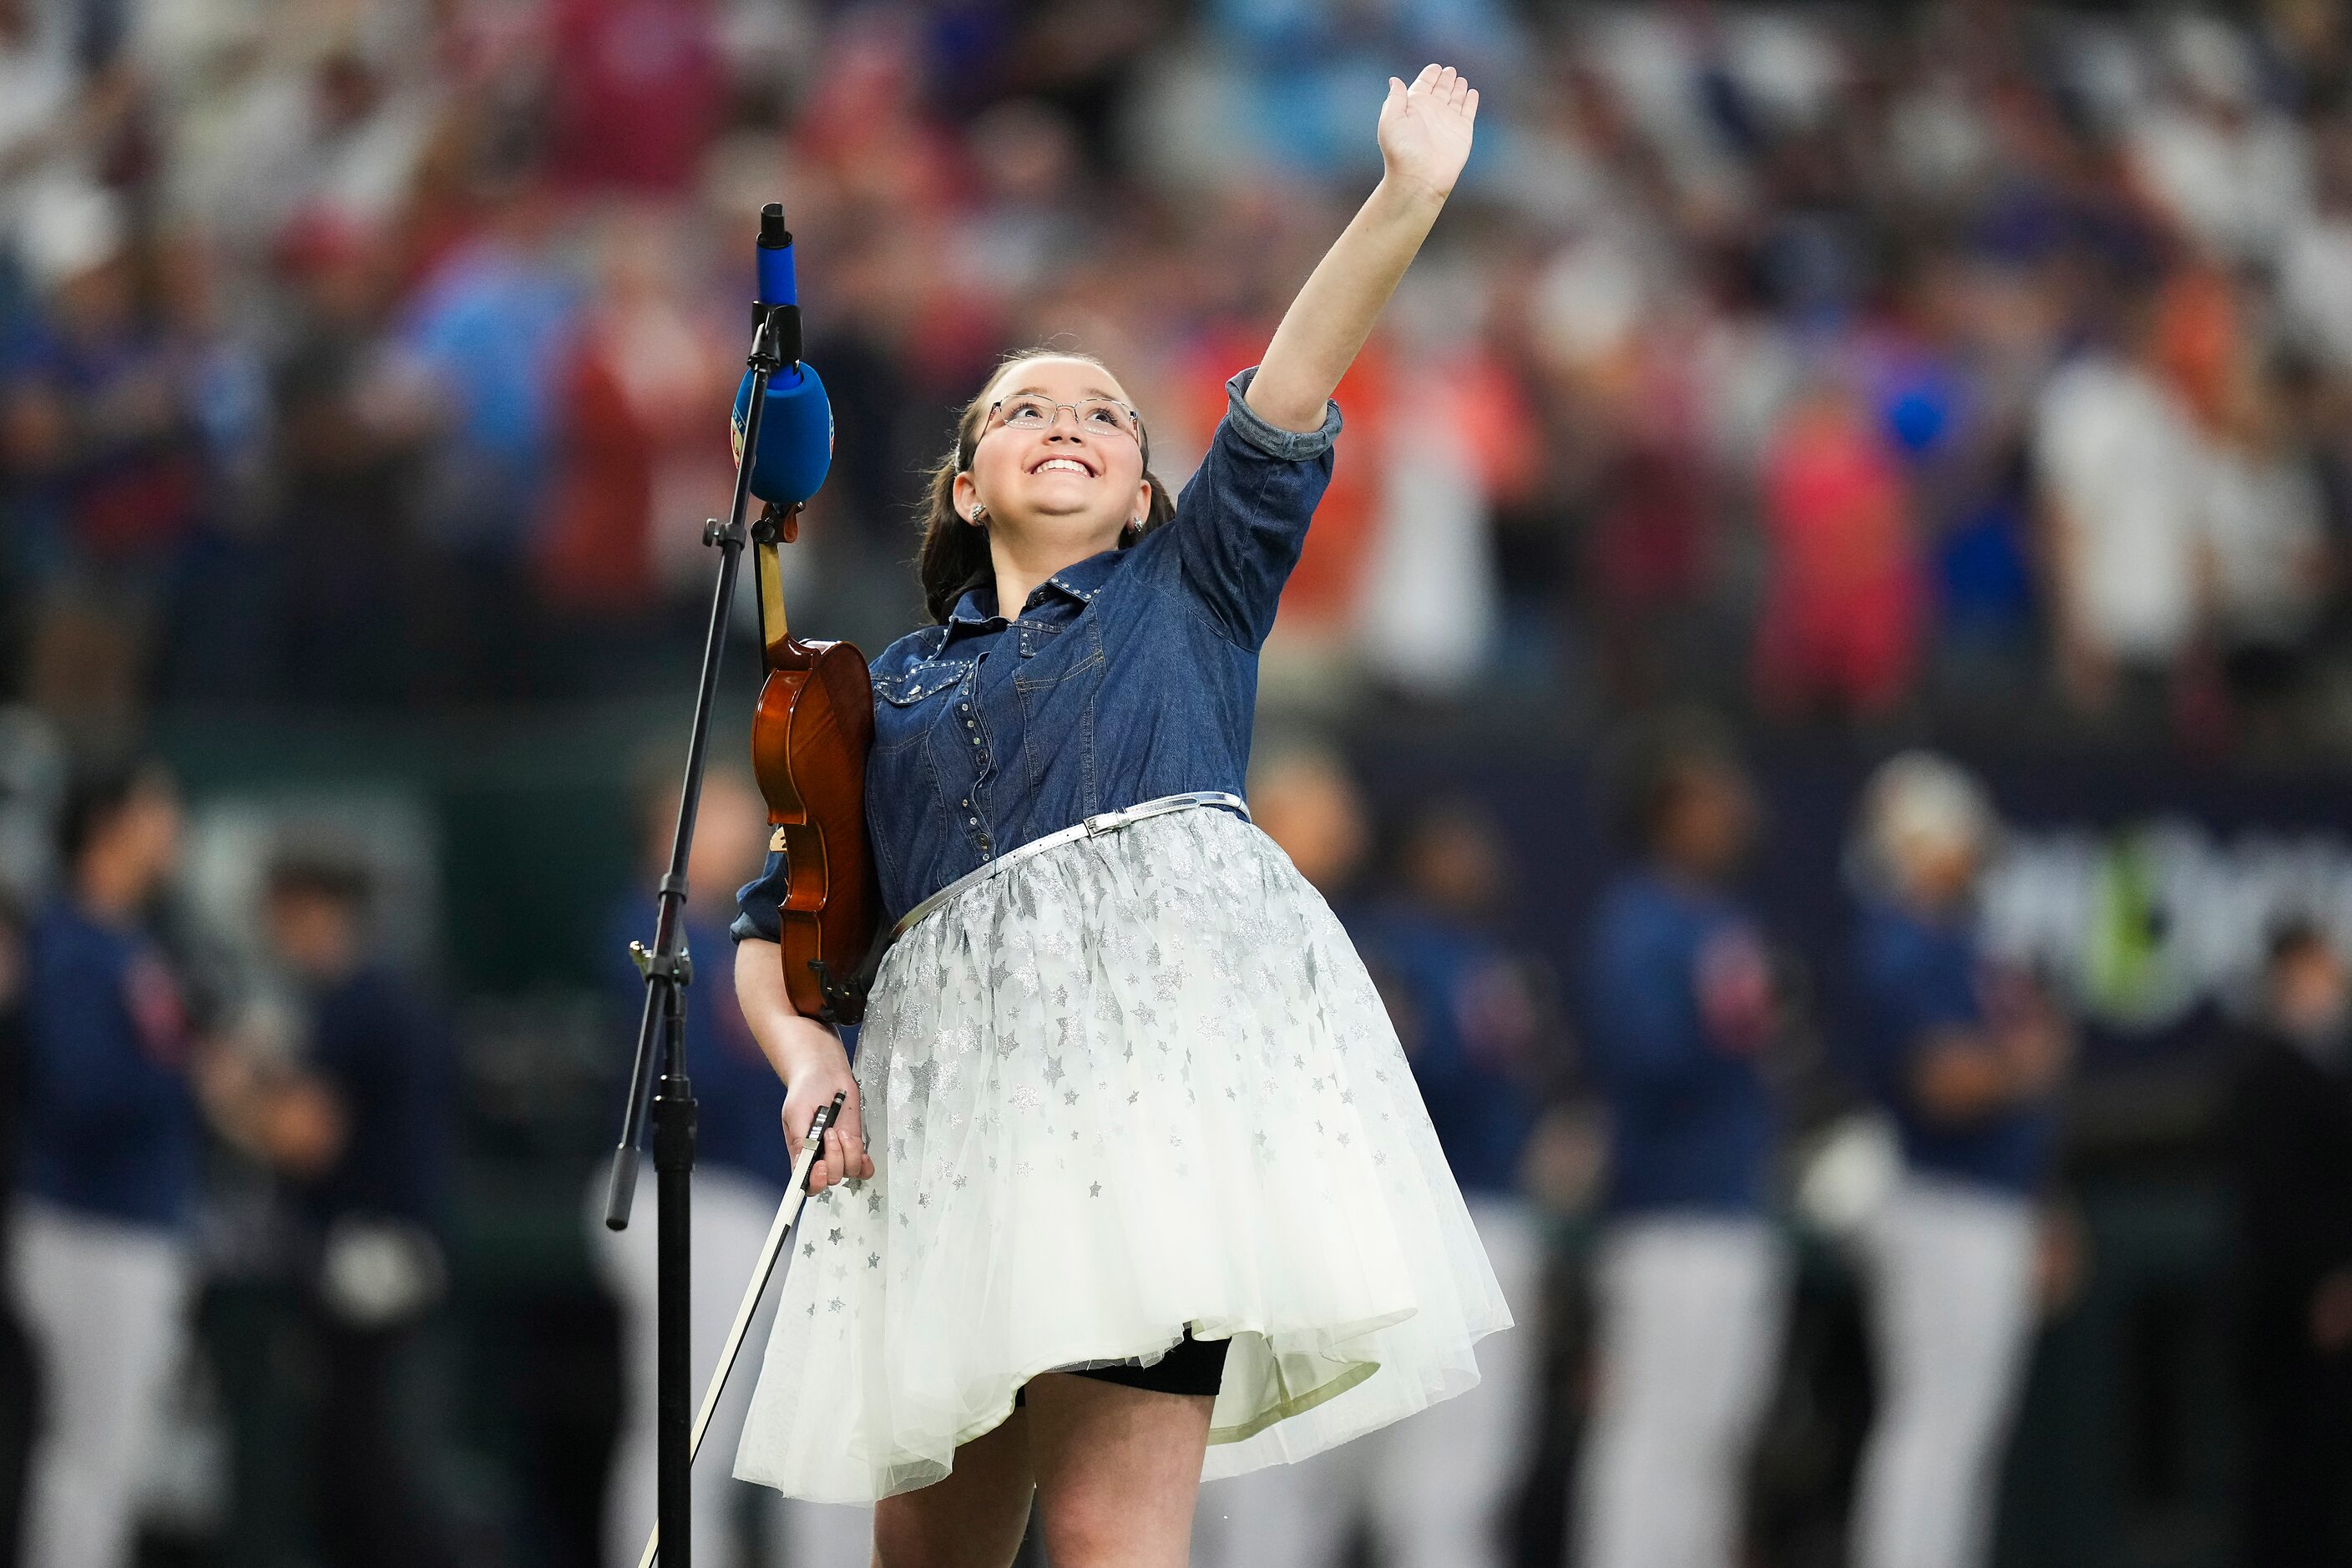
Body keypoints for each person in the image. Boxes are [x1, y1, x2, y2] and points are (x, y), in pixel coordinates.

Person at [728, 64, 1508, 1568]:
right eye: (1024, 408)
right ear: (965, 487)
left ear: (1152, 493)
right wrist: (806, 1052)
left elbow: (1293, 375)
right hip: (953, 1121)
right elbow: (780, 925)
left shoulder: (1193, 583)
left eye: (1103, 412)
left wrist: (1404, 196)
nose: (1069, 420)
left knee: (1105, 1536)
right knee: (928, 1551)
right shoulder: (864, 695)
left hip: (1149, 1113)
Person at [1209, 794, 1561, 1568]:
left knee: (1444, 1485)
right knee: (1327, 1470)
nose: (1475, 860)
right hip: (1385, 1215)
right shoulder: (1377, 947)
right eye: (1452, 844)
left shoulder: (1487, 954)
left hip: (1475, 1213)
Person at [590, 767, 870, 1568]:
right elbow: (728, 1063)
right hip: (686, 1194)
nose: (744, 824)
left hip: (780, 1206)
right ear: (668, 829)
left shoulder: (758, 930)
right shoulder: (652, 930)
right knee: (686, 1433)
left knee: (823, 1431)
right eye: (717, 813)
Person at [197, 847, 459, 1568]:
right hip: (374, 1252)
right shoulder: (357, 996)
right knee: (352, 1464)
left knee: (372, 1469)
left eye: (282, 912)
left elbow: (305, 1138)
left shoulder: (357, 1002)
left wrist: (222, 1093)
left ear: (317, 909)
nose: (272, 930)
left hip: (373, 1258)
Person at [1842, 752, 2068, 1568]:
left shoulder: (1965, 938)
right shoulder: (1903, 942)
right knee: (1935, 1418)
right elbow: (1945, 1081)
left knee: (1967, 1424)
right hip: (1942, 1201)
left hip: (1990, 1202)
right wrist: (2025, 1062)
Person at [1575, 719, 1783, 1568]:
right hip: (1666, 1217)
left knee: (1712, 1440)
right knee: (1652, 1441)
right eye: (1709, 792)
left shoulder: (1722, 917)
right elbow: (1640, 1055)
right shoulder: (1640, 921)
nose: (1732, 808)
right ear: (1667, 808)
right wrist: (1726, 1033)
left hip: (1731, 1205)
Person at [10, 761, 198, 1568]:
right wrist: (191, 1073)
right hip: (88, 1225)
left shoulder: (130, 941)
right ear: (111, 824)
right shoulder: (70, 944)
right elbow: (79, 1088)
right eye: (158, 808)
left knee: (112, 1461)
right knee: (88, 1459)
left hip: (127, 1221)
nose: (173, 826)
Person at [2228, 919, 2352, 1565]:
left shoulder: (2332, 1068)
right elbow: (2276, 1203)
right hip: (2288, 1315)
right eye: (2316, 967)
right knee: (2287, 1480)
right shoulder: (2263, 1073)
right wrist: (2323, 1282)